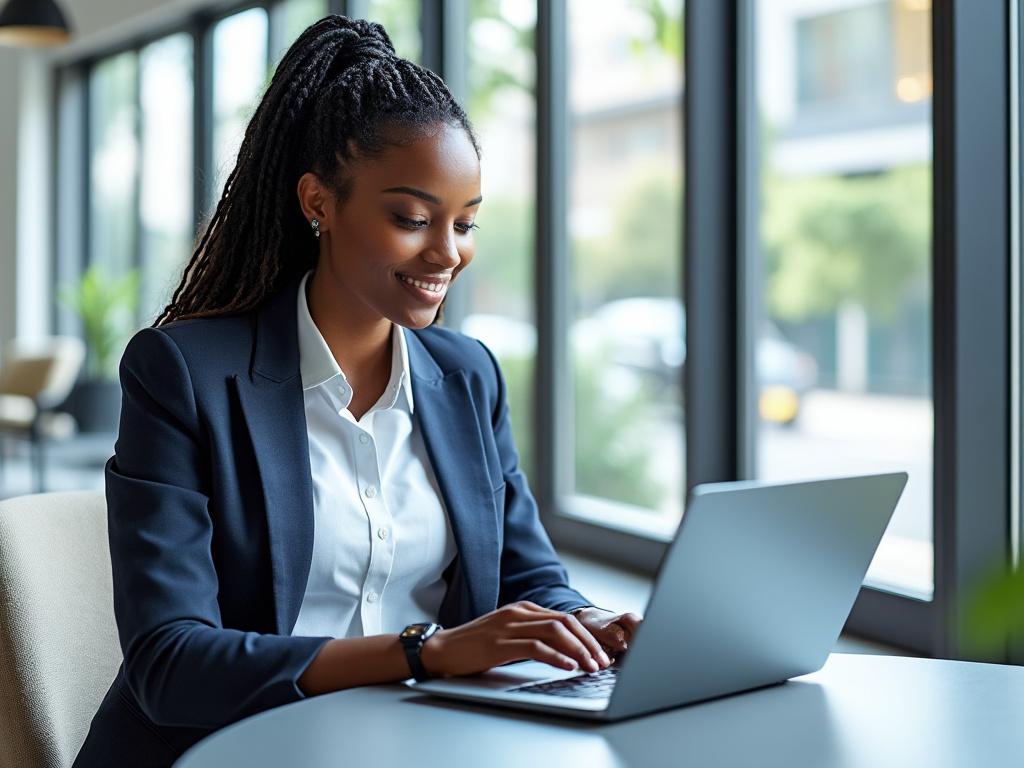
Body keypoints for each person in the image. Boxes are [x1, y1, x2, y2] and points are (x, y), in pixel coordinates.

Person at [74, 15, 641, 767]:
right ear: (319, 202)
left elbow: (528, 579)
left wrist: (594, 624)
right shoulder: (181, 373)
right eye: (412, 218)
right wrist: (423, 652)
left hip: (423, 747)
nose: (448, 253)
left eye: (466, 223)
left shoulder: (467, 375)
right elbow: (170, 666)